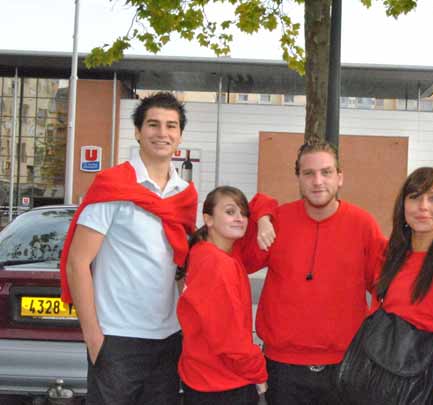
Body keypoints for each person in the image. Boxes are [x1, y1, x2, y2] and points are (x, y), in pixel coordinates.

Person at [60, 92, 198, 405]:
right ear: (137, 132)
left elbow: (180, 264)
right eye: (153, 124)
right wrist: (93, 337)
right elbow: (77, 262)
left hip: (168, 338)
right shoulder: (113, 185)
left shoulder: (185, 194)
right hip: (117, 339)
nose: (162, 133)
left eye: (171, 126)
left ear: (179, 136)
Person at [252, 141, 386, 405]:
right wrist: (261, 213)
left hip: (345, 366)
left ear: (340, 177)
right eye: (308, 173)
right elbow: (237, 254)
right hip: (283, 368)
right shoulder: (278, 220)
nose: (317, 181)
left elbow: (385, 286)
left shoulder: (363, 224)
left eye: (326, 172)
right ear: (298, 179)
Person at [370, 166, 433, 401]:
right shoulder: (388, 256)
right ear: (403, 206)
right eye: (414, 197)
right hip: (384, 385)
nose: (423, 207)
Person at [177, 186, 269, 405]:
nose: (240, 218)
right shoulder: (218, 264)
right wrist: (259, 373)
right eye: (230, 212)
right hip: (224, 384)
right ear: (208, 219)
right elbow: (230, 340)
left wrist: (264, 219)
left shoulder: (205, 250)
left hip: (201, 376)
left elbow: (264, 201)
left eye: (243, 213)